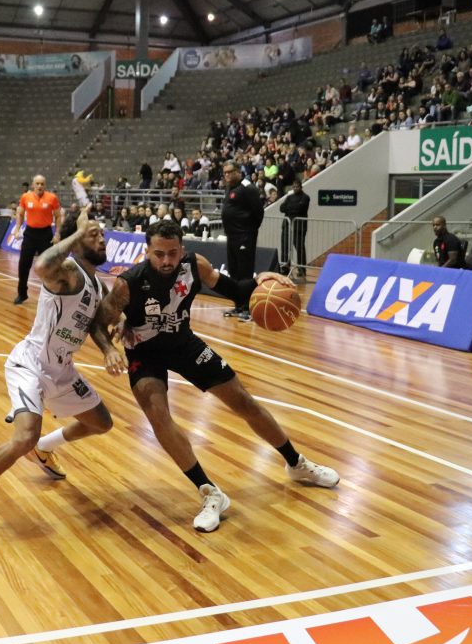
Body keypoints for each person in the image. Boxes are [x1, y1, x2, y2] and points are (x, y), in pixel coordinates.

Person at [91, 220, 339, 533]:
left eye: (172, 253)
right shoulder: (128, 284)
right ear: (147, 252)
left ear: (182, 249)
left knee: (244, 402)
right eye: (159, 254)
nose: (166, 260)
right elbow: (99, 323)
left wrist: (260, 280)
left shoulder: (196, 265)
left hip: (183, 344)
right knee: (158, 417)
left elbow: (234, 290)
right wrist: (108, 350)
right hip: (144, 353)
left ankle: (296, 463)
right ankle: (210, 492)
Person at [0, 208, 114, 540]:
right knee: (23, 436)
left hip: (62, 370)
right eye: (93, 233)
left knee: (101, 423)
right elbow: (41, 265)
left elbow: (96, 325)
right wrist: (76, 233)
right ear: (78, 239)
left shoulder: (98, 285)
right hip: (31, 366)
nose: (101, 238)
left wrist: (109, 347)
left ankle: (43, 448)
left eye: (102, 234)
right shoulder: (67, 272)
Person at [219, 161, 264, 321]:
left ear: (238, 171)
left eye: (230, 172)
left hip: (244, 237)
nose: (227, 175)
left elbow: (259, 213)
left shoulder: (248, 188)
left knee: (245, 273)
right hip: (231, 237)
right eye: (225, 172)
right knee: (234, 272)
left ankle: (248, 307)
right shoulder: (230, 188)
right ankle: (238, 305)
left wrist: (248, 231)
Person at [10, 175, 61, 306]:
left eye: (42, 184)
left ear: (45, 185)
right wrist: (17, 229)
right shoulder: (25, 197)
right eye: (37, 183)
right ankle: (22, 294)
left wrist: (57, 233)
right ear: (33, 185)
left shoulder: (52, 198)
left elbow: (58, 216)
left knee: (48, 266)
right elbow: (20, 214)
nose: (39, 186)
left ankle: (51, 294)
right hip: (30, 234)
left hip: (46, 234)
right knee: (23, 265)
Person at [279, 179, 309, 276]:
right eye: (294, 187)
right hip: (287, 225)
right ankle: (285, 267)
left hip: (299, 227)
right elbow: (281, 208)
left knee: (299, 247)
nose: (295, 188)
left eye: (297, 187)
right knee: (285, 246)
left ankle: (302, 269)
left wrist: (289, 207)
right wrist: (292, 207)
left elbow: (299, 209)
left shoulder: (305, 197)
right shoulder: (289, 197)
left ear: (301, 187)